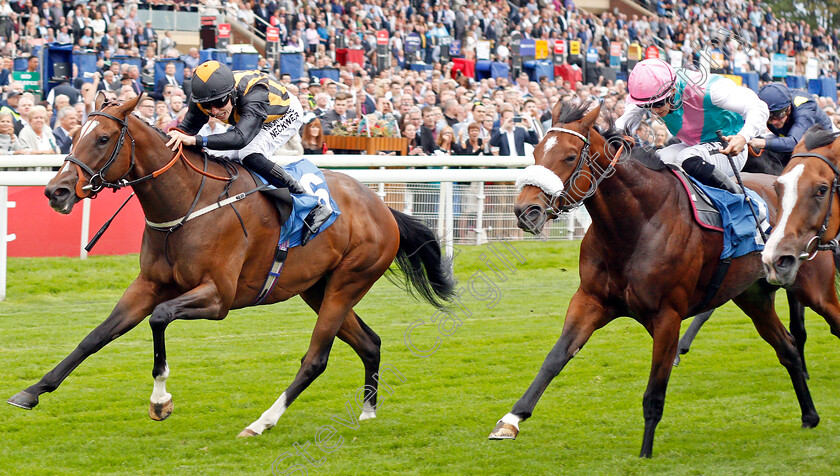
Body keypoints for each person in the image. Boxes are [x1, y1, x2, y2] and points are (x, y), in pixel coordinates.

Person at [165, 60, 331, 245]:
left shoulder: (254, 93)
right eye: (207, 105)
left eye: (219, 103)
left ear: (231, 94)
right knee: (220, 156)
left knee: (248, 153)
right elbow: (186, 129)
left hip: (284, 113)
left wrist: (198, 140)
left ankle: (311, 202)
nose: (214, 111)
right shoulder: (203, 97)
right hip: (250, 118)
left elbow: (241, 138)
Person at [616, 59, 769, 193]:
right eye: (647, 106)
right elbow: (622, 125)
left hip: (729, 147)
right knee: (658, 159)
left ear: (673, 91)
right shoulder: (651, 93)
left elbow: (759, 107)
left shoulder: (708, 90)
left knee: (687, 158)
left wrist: (743, 137)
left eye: (658, 103)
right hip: (695, 146)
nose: (654, 110)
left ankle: (742, 200)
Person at [748, 83, 838, 162]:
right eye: (769, 117)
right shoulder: (758, 106)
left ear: (789, 108)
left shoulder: (804, 106)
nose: (774, 122)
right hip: (786, 135)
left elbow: (794, 142)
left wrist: (762, 143)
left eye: (778, 115)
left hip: (822, 138)